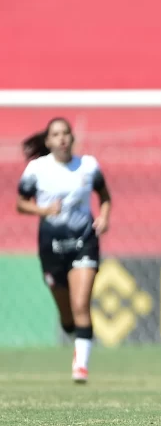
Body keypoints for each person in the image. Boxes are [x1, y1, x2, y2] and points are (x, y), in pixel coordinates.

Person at [17, 118, 112, 384]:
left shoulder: (88, 166)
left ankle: (80, 365)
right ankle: (74, 333)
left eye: (65, 133)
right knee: (67, 314)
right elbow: (21, 204)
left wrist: (104, 217)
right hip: (51, 246)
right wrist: (44, 210)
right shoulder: (36, 169)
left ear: (72, 138)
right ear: (47, 141)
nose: (61, 138)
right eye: (55, 134)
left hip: (84, 242)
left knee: (81, 304)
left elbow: (105, 197)